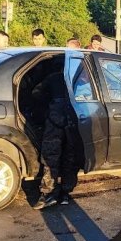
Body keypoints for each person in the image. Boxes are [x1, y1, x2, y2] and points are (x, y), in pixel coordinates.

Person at [33, 69, 80, 209]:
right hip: (73, 120)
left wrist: (47, 103)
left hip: (54, 120)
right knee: (70, 157)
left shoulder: (52, 77)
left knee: (51, 158)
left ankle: (48, 194)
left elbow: (36, 93)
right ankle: (65, 193)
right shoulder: (78, 78)